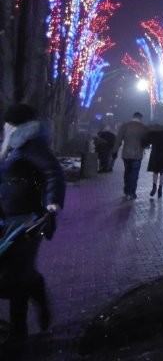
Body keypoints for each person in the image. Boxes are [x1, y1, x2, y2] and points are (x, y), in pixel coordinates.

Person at [0, 103, 65, 349]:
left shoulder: (29, 144)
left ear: (14, 124)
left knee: (15, 275)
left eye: (7, 122)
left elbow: (53, 173)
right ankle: (37, 289)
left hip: (29, 219)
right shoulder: (10, 146)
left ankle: (18, 332)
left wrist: (53, 204)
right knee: (12, 271)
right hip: (7, 217)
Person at [112, 112, 148, 200]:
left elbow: (118, 140)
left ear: (133, 117)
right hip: (137, 154)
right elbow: (146, 142)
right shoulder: (143, 128)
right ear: (140, 118)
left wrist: (115, 151)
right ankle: (132, 192)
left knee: (127, 172)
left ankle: (126, 190)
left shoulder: (125, 126)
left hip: (126, 154)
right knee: (134, 174)